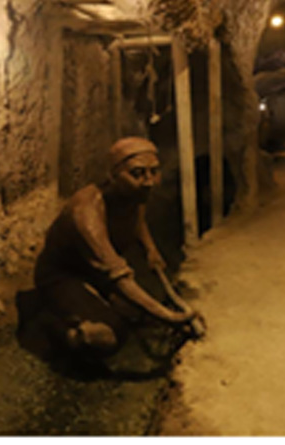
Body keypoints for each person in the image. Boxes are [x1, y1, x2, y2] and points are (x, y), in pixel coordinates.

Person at [34, 136, 198, 358]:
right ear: (113, 175)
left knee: (135, 313)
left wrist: (150, 250)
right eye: (137, 173)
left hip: (95, 273)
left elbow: (137, 220)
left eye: (154, 171)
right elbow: (118, 276)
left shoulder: (134, 194)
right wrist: (170, 317)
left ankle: (89, 307)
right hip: (63, 277)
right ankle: (58, 329)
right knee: (110, 336)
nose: (149, 181)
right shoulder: (86, 213)